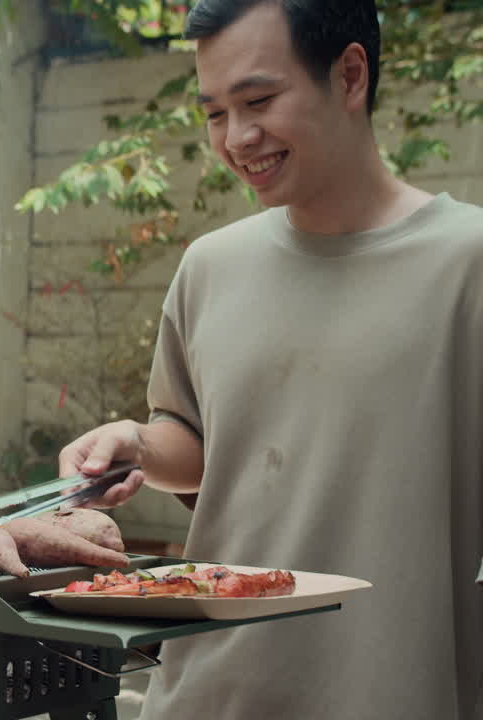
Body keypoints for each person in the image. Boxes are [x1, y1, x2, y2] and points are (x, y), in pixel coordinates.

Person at [57, 1, 482, 718]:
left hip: (391, 691)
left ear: (349, 76)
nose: (237, 138)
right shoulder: (210, 267)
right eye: (214, 113)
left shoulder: (468, 262)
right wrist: (138, 444)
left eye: (257, 101)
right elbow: (197, 444)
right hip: (204, 692)